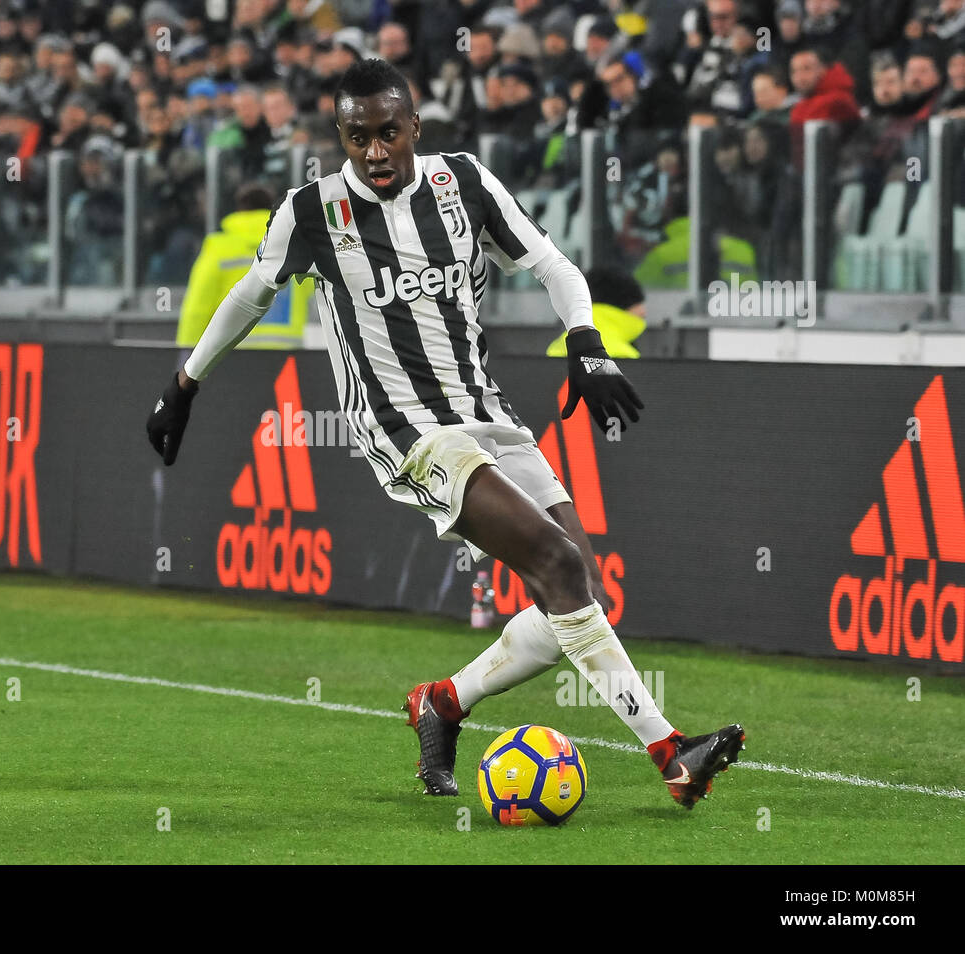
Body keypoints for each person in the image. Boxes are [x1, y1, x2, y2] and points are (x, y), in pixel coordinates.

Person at [146, 58, 744, 810]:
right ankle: (670, 754)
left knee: (575, 590)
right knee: (556, 562)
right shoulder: (312, 212)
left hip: (485, 413)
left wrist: (586, 342)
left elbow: (554, 266)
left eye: (388, 133)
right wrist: (185, 383)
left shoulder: (463, 183)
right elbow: (250, 294)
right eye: (357, 137)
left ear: (414, 128)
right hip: (404, 432)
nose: (373, 152)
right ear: (340, 137)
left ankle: (444, 703)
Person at [176, 183, 310, 351]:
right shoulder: (294, 245)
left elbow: (198, 306)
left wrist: (187, 352)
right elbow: (310, 291)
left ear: (240, 209)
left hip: (232, 354)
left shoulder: (219, 248)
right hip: (285, 353)